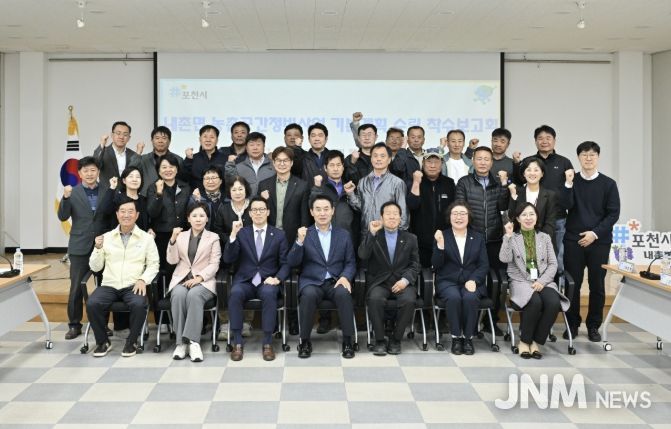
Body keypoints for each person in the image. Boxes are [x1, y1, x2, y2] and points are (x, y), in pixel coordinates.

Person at [560, 141, 620, 342]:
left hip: (599, 242)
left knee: (597, 285)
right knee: (572, 285)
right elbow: (565, 205)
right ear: (578, 158)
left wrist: (594, 234)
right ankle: (572, 324)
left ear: (598, 157)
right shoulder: (571, 181)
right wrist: (568, 184)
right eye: (584, 154)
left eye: (592, 154)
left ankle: (593, 326)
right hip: (573, 241)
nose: (588, 158)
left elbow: (613, 214)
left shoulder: (608, 184)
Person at [87, 199, 160, 357]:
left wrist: (143, 280)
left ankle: (132, 342)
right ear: (117, 214)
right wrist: (97, 248)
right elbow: (95, 267)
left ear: (137, 215)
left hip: (133, 284)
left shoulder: (146, 238)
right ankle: (102, 342)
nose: (126, 215)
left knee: (139, 304)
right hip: (109, 284)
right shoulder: (106, 237)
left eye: (130, 211)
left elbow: (154, 264)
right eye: (123, 211)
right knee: (92, 303)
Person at [287, 195, 357, 359]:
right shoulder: (305, 233)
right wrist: (299, 242)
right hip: (312, 281)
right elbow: (292, 262)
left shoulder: (343, 234)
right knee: (308, 296)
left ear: (332, 211)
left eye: (326, 209)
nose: (322, 213)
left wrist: (345, 277)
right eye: (318, 209)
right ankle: (304, 341)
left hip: (336, 280)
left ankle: (348, 341)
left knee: (344, 293)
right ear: (312, 212)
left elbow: (351, 262)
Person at [499, 203, 569, 359]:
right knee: (535, 301)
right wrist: (507, 237)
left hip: (543, 280)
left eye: (531, 214)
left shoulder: (545, 237)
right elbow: (504, 258)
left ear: (537, 217)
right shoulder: (513, 237)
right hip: (520, 281)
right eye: (524, 215)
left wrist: (542, 281)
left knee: (553, 302)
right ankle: (525, 342)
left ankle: (536, 341)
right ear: (518, 219)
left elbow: (553, 264)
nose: (528, 218)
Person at [224, 196, 290, 361]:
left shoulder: (279, 234)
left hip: (267, 280)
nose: (258, 213)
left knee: (269, 293)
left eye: (262, 209)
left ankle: (267, 343)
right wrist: (233, 235)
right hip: (245, 281)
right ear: (250, 213)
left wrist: (277, 279)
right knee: (235, 293)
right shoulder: (242, 233)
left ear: (268, 212)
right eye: (254, 210)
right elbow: (228, 258)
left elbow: (286, 263)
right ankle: (237, 342)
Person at [455, 146, 509, 335]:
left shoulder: (498, 183)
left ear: (492, 162)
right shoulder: (464, 182)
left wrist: (504, 187)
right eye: (479, 158)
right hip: (472, 240)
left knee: (496, 283)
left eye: (487, 159)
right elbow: (460, 209)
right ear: (473, 161)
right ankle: (469, 322)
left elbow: (504, 206)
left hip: (495, 239)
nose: (483, 162)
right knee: (471, 281)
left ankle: (491, 321)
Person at [358, 202, 420, 355]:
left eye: (395, 214)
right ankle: (379, 340)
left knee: (409, 300)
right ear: (381, 217)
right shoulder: (374, 235)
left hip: (402, 281)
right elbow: (363, 255)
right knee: (375, 299)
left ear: (400, 218)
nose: (392, 216)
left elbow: (415, 264)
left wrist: (405, 281)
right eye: (388, 213)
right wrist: (371, 234)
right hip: (380, 282)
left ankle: (396, 339)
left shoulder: (411, 238)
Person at [57, 156, 108, 340]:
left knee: (104, 287)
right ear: (79, 173)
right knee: (77, 287)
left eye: (93, 170)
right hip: (79, 246)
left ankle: (102, 325)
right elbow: (63, 216)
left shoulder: (107, 190)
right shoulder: (73, 191)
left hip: (103, 245)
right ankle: (74, 325)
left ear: (98, 172)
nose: (89, 174)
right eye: (85, 170)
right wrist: (65, 197)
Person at [514, 125, 574, 274]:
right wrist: (516, 165)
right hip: (528, 220)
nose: (544, 141)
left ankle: (555, 284)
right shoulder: (529, 161)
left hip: (556, 218)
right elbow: (518, 184)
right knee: (529, 257)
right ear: (535, 141)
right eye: (540, 138)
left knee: (556, 257)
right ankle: (532, 283)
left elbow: (569, 189)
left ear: (554, 140)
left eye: (548, 138)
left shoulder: (564, 162)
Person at [166, 202, 221, 362]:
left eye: (202, 216)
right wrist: (172, 240)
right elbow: (172, 260)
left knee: (194, 295)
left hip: (204, 282)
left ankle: (193, 342)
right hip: (182, 279)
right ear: (188, 218)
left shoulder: (213, 237)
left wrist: (199, 278)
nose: (198, 219)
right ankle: (180, 343)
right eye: (194, 216)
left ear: (207, 219)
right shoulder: (180, 236)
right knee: (178, 295)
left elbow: (214, 264)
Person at [432, 201, 489, 355]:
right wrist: (440, 246)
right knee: (454, 297)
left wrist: (474, 280)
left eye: (463, 214)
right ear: (449, 217)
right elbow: (436, 265)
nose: (459, 217)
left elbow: (483, 265)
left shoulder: (477, 237)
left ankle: (468, 338)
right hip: (447, 281)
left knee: (470, 297)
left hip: (471, 281)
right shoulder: (442, 235)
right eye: (455, 213)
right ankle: (456, 338)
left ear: (469, 217)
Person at [211, 176, 254, 337]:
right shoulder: (224, 208)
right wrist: (231, 238)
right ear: (229, 192)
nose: (237, 192)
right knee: (225, 287)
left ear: (246, 190)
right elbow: (217, 230)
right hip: (228, 255)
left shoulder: (254, 207)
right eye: (234, 189)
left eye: (240, 189)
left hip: (251, 255)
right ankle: (225, 323)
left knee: (249, 286)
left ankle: (247, 322)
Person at [147, 154, 191, 287]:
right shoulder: (153, 188)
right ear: (159, 171)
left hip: (183, 235)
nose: (168, 170)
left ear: (177, 169)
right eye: (164, 167)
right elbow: (152, 212)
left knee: (182, 268)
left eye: (171, 166)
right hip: (162, 236)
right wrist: (159, 193)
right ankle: (163, 298)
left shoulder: (185, 187)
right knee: (164, 270)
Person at [347, 143, 409, 235]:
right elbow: (361, 207)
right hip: (367, 233)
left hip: (388, 234)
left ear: (389, 160)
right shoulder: (363, 181)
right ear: (371, 159)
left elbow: (403, 212)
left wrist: (398, 234)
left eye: (382, 156)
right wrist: (350, 194)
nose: (378, 159)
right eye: (375, 156)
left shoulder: (397, 183)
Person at [407, 152, 456, 267]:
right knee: (422, 273)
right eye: (429, 162)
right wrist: (416, 182)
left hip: (444, 240)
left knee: (444, 271)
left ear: (441, 164)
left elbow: (454, 210)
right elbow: (412, 205)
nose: (432, 165)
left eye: (436, 162)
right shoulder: (413, 182)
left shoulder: (449, 183)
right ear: (423, 164)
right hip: (420, 242)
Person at [258, 146, 310, 246]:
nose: (282, 164)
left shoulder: (302, 186)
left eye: (285, 160)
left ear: (291, 163)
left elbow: (304, 217)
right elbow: (258, 211)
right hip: (268, 236)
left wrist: (302, 239)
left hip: (292, 237)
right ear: (273, 162)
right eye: (278, 160)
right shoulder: (264, 185)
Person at [508, 157, 558, 250]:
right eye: (529, 170)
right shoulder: (517, 192)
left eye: (536, 170)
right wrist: (513, 197)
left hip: (543, 245)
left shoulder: (550, 195)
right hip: (520, 245)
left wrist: (537, 242)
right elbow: (512, 218)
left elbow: (550, 224)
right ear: (524, 173)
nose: (532, 173)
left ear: (542, 174)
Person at [93, 121, 141, 195]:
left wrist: (138, 153)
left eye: (125, 134)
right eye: (118, 133)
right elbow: (95, 164)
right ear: (112, 135)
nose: (121, 137)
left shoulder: (133, 155)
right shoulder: (103, 152)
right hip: (106, 195)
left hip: (127, 196)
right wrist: (102, 145)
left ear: (129, 138)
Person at [99, 166, 150, 232]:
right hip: (119, 236)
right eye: (131, 176)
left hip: (141, 237)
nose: (134, 179)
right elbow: (105, 210)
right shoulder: (117, 199)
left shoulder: (144, 200)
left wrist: (150, 228)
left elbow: (149, 221)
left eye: (138, 177)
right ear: (124, 180)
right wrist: (112, 187)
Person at [224, 131, 275, 196]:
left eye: (258, 144)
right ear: (246, 148)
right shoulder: (239, 167)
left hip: (269, 202)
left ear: (264, 146)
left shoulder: (274, 165)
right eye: (251, 145)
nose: (255, 148)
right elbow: (231, 185)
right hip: (246, 202)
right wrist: (230, 165)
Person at [139, 126, 184, 196]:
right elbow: (129, 172)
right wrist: (138, 153)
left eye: (164, 138)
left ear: (169, 141)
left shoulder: (178, 159)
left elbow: (182, 182)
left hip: (171, 198)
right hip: (146, 197)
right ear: (152, 140)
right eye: (157, 138)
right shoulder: (143, 159)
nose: (160, 141)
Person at [183, 125, 228, 190]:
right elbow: (184, 178)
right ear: (200, 140)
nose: (208, 140)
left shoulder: (225, 159)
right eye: (205, 137)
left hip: (220, 195)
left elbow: (230, 181)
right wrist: (188, 160)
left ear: (217, 140)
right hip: (197, 195)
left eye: (212, 137)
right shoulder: (192, 158)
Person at [189, 166, 225, 231]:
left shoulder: (228, 198)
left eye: (214, 178)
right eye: (207, 178)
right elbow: (190, 222)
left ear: (221, 181)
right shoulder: (195, 198)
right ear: (203, 181)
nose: (210, 182)